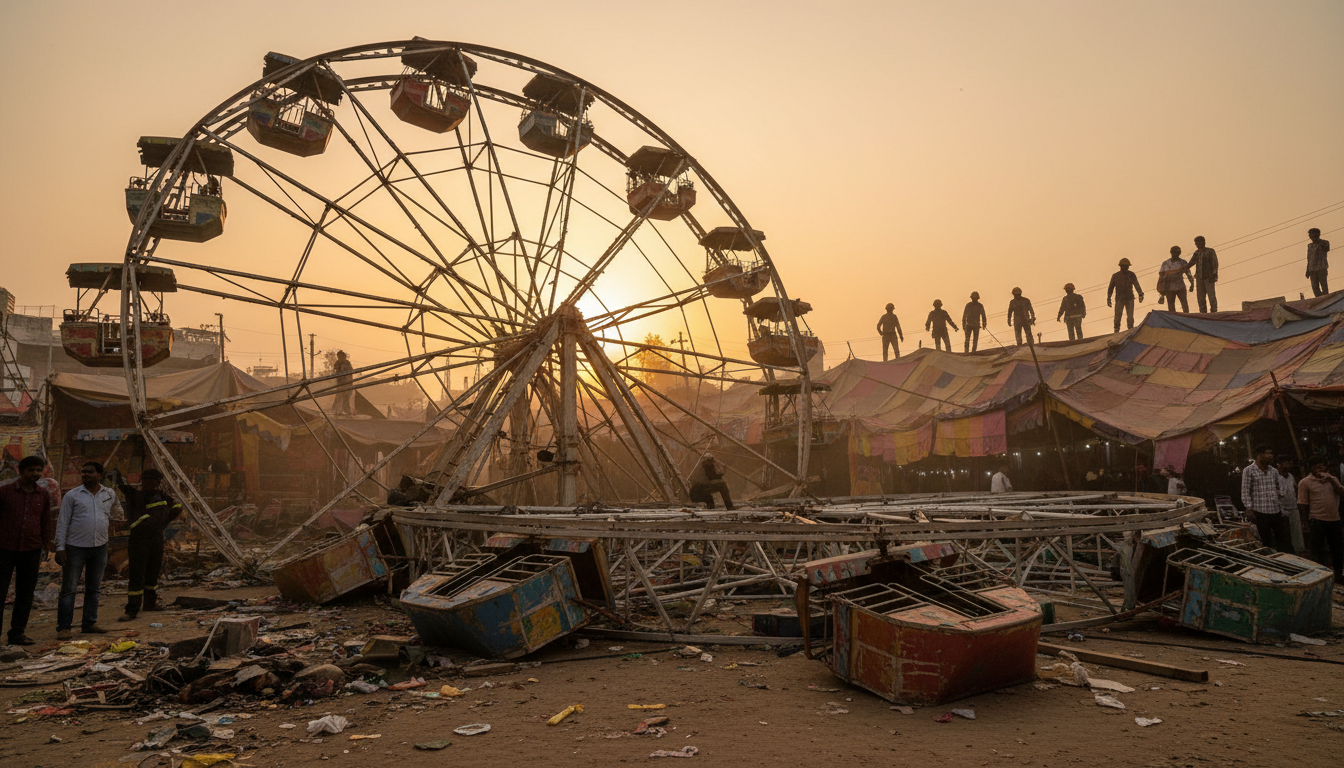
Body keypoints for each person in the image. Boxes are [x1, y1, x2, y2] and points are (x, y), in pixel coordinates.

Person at [55, 461, 123, 640]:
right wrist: (60, 548)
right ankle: (64, 627)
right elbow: (62, 522)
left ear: (100, 475)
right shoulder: (72, 495)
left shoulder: (109, 494)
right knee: (69, 589)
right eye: (83, 472)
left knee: (94, 588)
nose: (85, 475)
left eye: (90, 472)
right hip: (75, 547)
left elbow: (117, 514)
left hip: (100, 547)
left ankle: (89, 623)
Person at [0, 456, 59, 646]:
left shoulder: (42, 494)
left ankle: (17, 633)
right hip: (5, 548)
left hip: (31, 549)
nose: (35, 473)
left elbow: (45, 521)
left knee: (25, 594)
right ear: (21, 471)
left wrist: (47, 543)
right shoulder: (5, 492)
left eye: (38, 470)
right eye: (31, 470)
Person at [116, 469, 181, 621]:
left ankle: (150, 602)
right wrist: (157, 525)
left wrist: (164, 523)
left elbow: (176, 508)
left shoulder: (163, 497)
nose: (150, 483)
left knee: (153, 573)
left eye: (153, 481)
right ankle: (132, 609)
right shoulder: (136, 497)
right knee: (137, 574)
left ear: (158, 482)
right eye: (147, 480)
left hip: (156, 540)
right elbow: (138, 518)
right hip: (139, 540)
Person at [1297, 459, 1344, 582]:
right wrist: (1305, 522)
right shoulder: (1305, 482)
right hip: (1317, 519)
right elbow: (1302, 504)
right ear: (1312, 468)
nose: (1321, 469)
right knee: (1317, 550)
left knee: (1337, 548)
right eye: (1317, 467)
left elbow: (1341, 492)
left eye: (1323, 466)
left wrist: (1332, 481)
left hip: (1334, 519)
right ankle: (1320, 576)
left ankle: (1338, 575)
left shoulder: (1332, 479)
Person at [1240, 445, 1290, 553]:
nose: (1271, 456)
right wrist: (1249, 508)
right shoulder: (1249, 470)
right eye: (1268, 453)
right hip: (1260, 511)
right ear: (1259, 455)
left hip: (1275, 510)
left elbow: (1278, 487)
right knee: (1265, 541)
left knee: (1283, 539)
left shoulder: (1273, 471)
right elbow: (1245, 491)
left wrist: (1279, 494)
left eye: (1271, 453)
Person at [1274, 456, 1306, 554]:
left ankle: (1298, 551)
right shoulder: (1274, 476)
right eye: (1287, 463)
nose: (1290, 466)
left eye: (1290, 463)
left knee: (1296, 531)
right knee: (1284, 533)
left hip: (1293, 507)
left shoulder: (1290, 476)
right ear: (1279, 465)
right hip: (1280, 509)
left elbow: (1295, 489)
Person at [1107, 258, 1145, 333]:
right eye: (1123, 266)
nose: (1125, 268)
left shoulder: (1131, 275)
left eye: (1126, 266)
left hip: (1129, 298)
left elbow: (1136, 284)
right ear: (1120, 266)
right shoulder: (1116, 276)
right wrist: (1108, 298)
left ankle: (1130, 331)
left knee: (1130, 317)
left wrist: (1140, 294)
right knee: (1117, 317)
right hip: (1119, 299)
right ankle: (1116, 332)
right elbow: (1110, 288)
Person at [1156, 246, 1195, 313]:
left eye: (1177, 252)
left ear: (1179, 253)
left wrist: (1192, 283)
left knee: (1184, 304)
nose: (1175, 254)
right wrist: (1161, 290)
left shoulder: (1182, 262)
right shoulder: (1166, 264)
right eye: (1174, 252)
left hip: (1180, 286)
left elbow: (1188, 274)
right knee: (1171, 306)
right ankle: (1174, 318)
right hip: (1169, 288)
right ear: (1171, 252)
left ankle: (1186, 317)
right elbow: (1161, 277)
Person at [1189, 236, 1219, 313]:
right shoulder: (1196, 253)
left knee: (1211, 296)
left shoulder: (1210, 251)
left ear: (1204, 242)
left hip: (1209, 277)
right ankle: (1203, 313)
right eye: (1197, 243)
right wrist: (1181, 269)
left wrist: (1214, 275)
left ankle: (1214, 311)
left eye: (1199, 242)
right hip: (1199, 278)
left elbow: (1215, 264)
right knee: (1200, 297)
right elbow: (1191, 263)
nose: (1198, 244)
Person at [1306, 228, 1331, 297]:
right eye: (1310, 235)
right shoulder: (1310, 246)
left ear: (1318, 234)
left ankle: (1326, 298)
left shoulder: (1324, 242)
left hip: (1321, 268)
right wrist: (1307, 270)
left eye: (1312, 234)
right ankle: (1320, 299)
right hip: (1312, 270)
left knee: (1324, 286)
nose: (1310, 236)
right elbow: (1309, 258)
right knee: (1315, 288)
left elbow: (1326, 249)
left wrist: (1318, 242)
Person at [333, 350, 355, 415]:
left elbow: (350, 372)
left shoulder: (347, 363)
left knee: (346, 398)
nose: (341, 358)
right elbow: (336, 370)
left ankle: (348, 412)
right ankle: (338, 412)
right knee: (339, 398)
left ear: (344, 357)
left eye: (342, 357)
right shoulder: (337, 363)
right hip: (340, 384)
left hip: (348, 384)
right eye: (339, 357)